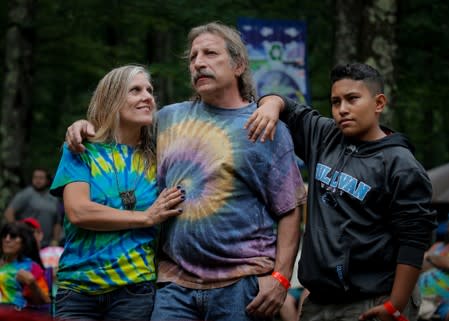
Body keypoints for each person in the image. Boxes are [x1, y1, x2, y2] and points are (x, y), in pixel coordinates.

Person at [65, 22, 307, 320]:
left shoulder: (266, 126)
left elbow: (290, 208)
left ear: (239, 65)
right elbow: (118, 135)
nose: (199, 63)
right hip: (173, 285)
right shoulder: (167, 119)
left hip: (241, 285)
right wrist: (84, 126)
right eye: (193, 57)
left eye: (210, 53)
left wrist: (282, 278)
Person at [245, 62, 437, 321]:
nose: (342, 109)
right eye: (336, 102)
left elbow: (414, 240)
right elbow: (285, 104)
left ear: (379, 103)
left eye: (352, 99)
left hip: (373, 301)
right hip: (318, 302)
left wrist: (396, 304)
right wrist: (269, 105)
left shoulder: (400, 164)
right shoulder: (324, 136)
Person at [49, 65, 185, 321]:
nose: (147, 96)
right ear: (111, 99)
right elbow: (79, 211)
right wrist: (146, 217)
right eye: (135, 90)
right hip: (78, 289)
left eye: (149, 90)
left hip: (134, 290)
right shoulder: (81, 149)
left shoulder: (162, 156)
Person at [3, 168, 62, 248]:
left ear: (47, 180)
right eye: (35, 177)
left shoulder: (53, 197)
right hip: (28, 243)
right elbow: (8, 213)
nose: (38, 180)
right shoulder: (26, 194)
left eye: (41, 178)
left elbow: (57, 222)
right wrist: (17, 232)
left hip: (47, 244)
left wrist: (55, 240)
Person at [0, 221, 50, 311]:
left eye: (13, 236)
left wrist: (32, 283)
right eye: (4, 236)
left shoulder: (31, 267)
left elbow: (44, 301)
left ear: (23, 242)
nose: (7, 239)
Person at [417, 222, 449, 321]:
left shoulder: (433, 252)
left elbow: (447, 263)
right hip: (421, 297)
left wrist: (430, 257)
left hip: (445, 301)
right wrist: (438, 261)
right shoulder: (438, 245)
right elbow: (420, 263)